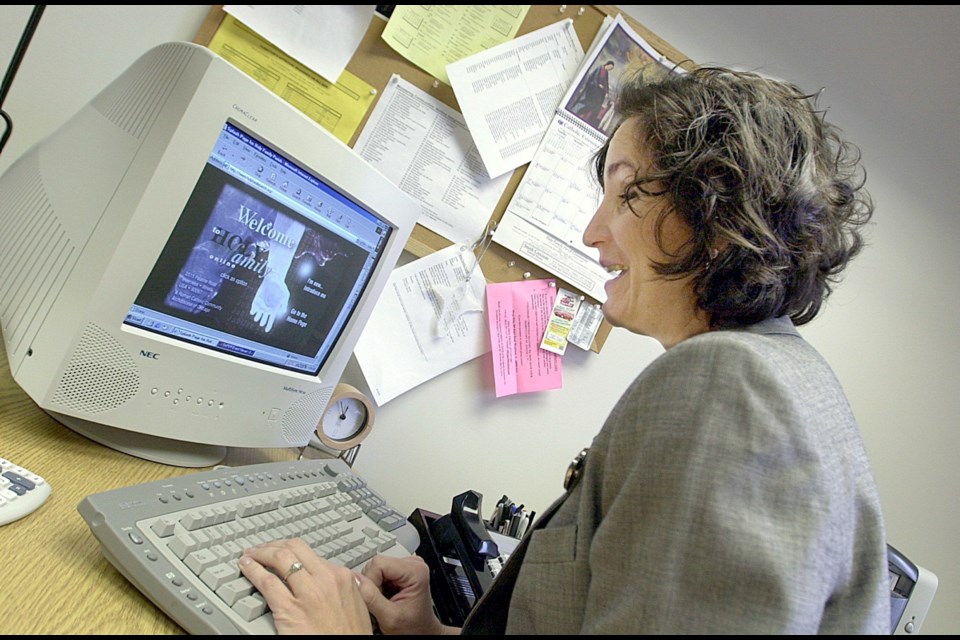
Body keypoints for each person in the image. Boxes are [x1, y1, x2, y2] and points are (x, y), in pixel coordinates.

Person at [237, 64, 891, 634]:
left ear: (717, 218)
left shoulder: (729, 388)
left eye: (628, 194)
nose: (592, 232)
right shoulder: (786, 377)